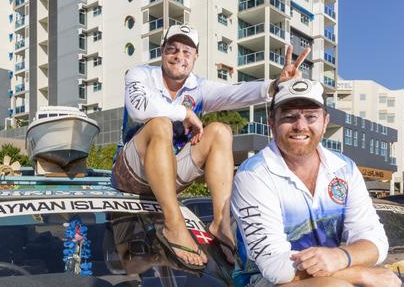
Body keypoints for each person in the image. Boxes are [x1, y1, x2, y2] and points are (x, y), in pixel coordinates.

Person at [231, 78, 404, 287]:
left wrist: (340, 257)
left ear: (325, 121)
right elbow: (276, 269)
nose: (300, 125)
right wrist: (360, 271)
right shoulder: (254, 175)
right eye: (289, 116)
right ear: (272, 122)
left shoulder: (344, 168)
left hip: (328, 278)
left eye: (310, 116)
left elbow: (375, 242)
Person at [111, 24, 309, 271]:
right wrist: (183, 112)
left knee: (220, 132)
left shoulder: (199, 87)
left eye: (186, 51)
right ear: (162, 52)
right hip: (132, 172)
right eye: (172, 49)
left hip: (170, 174)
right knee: (159, 125)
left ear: (195, 57)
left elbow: (237, 93)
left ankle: (220, 224)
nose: (179, 56)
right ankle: (173, 223)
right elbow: (139, 107)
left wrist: (276, 85)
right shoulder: (140, 75)